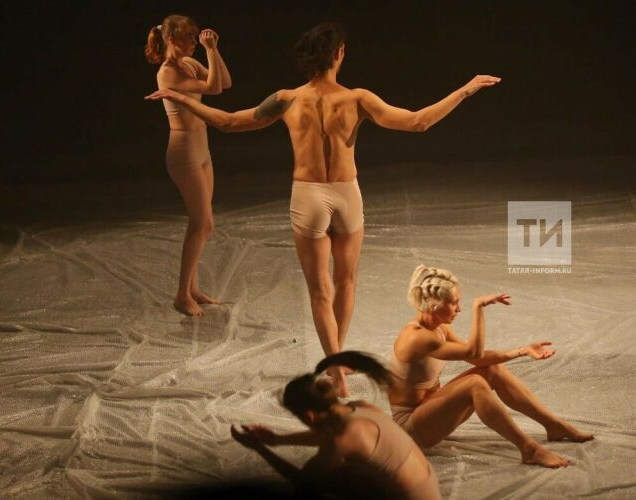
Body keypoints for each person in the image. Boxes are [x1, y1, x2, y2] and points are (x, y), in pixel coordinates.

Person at [146, 22, 500, 394]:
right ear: (339, 54)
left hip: (308, 196)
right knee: (345, 282)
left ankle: (336, 368)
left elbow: (230, 123)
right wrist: (465, 89)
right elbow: (418, 122)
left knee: (320, 291)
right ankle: (337, 363)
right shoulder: (357, 98)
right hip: (347, 195)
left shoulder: (287, 98)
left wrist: (183, 99)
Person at [387, 264, 594, 468]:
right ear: (434, 304)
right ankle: (529, 450)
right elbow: (474, 352)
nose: (459, 309)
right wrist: (478, 307)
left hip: (432, 415)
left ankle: (553, 425)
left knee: (492, 369)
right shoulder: (416, 338)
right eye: (454, 303)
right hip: (411, 429)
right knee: (474, 384)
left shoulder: (440, 329)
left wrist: (522, 350)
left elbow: (479, 360)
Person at [231, 351, 441, 499]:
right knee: (341, 474)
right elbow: (324, 435)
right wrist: (277, 440)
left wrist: (261, 449)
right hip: (428, 486)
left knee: (319, 483)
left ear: (309, 416)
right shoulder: (358, 407)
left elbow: (303, 481)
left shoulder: (341, 438)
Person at [144, 14, 232, 316]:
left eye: (196, 38)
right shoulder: (167, 73)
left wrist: (213, 50)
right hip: (183, 152)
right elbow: (213, 89)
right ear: (171, 40)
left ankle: (192, 288)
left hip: (201, 147)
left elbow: (224, 82)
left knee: (200, 223)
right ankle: (182, 295)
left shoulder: (190, 64)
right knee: (203, 223)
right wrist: (210, 50)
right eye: (189, 38)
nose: (194, 43)